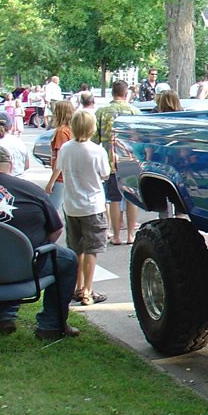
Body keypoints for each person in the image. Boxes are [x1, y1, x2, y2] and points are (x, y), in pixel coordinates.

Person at [0, 144, 79, 338]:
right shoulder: (30, 190)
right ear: (10, 165)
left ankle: (3, 317)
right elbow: (56, 231)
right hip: (23, 268)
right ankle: (51, 325)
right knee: (67, 259)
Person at [49, 110, 110, 306]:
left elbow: (59, 167)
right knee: (92, 249)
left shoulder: (66, 148)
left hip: (71, 205)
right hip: (92, 205)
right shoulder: (97, 150)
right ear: (92, 128)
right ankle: (88, 291)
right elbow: (105, 174)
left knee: (76, 248)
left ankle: (78, 287)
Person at [93, 79, 140, 244]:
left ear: (112, 92)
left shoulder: (102, 112)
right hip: (130, 160)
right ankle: (131, 235)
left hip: (110, 161)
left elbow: (94, 139)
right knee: (132, 198)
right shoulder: (134, 111)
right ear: (126, 93)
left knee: (114, 199)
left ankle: (117, 235)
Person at [44, 100, 76, 213]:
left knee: (52, 209)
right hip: (70, 173)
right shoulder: (72, 130)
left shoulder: (61, 132)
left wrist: (51, 181)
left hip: (61, 176)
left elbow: (60, 158)